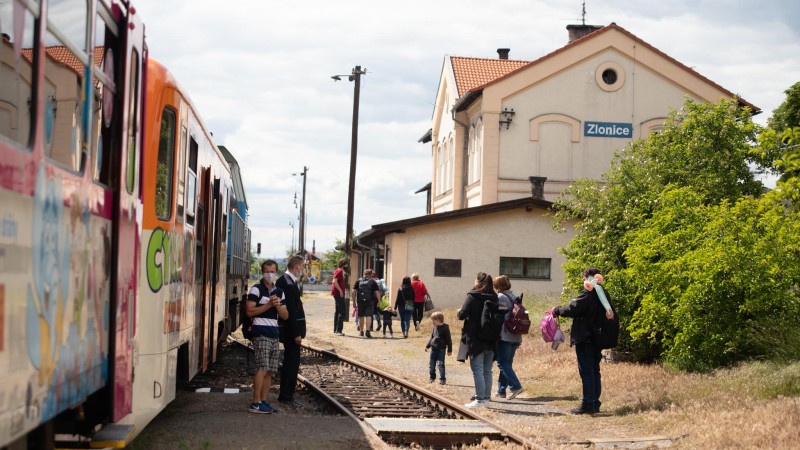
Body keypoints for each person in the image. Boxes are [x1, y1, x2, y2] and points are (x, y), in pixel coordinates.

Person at [552, 267, 613, 415]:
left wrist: (557, 310)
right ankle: (595, 403)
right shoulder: (603, 293)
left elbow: (574, 308)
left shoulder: (589, 292)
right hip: (598, 336)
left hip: (585, 336)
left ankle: (588, 404)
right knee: (594, 371)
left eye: (584, 278)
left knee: (586, 371)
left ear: (587, 277)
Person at [246, 260, 289, 414]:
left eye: (272, 271)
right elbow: (250, 311)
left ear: (276, 272)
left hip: (274, 333)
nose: (269, 274)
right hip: (260, 333)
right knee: (262, 368)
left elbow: (285, 315)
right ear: (262, 272)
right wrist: (268, 305)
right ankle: (255, 402)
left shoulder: (279, 291)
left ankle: (264, 401)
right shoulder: (256, 289)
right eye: (267, 271)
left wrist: (276, 305)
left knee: (270, 370)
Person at [457, 272, 499, 408]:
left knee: (478, 369)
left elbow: (462, 315)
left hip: (475, 337)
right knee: (487, 369)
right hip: (491, 337)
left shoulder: (472, 296)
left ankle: (480, 400)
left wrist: (459, 311)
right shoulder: (494, 297)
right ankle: (486, 398)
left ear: (478, 281)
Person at [275, 255, 307, 408]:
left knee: (291, 362)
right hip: (290, 330)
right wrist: (296, 333)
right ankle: (286, 396)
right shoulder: (288, 283)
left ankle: (287, 394)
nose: (303, 269)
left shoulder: (285, 281)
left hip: (288, 328)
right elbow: (291, 312)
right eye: (302, 266)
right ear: (297, 267)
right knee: (291, 363)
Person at [493, 275, 524, 400]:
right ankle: (501, 390)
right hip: (516, 334)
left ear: (497, 286)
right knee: (507, 363)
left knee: (502, 362)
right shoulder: (514, 296)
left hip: (505, 334)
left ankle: (516, 387)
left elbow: (500, 315)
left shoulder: (501, 297)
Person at [425, 311, 452, 384]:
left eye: (433, 321)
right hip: (433, 349)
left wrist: (450, 350)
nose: (432, 322)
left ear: (437, 320)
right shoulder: (434, 328)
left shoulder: (445, 328)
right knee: (432, 364)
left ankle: (442, 379)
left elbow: (449, 340)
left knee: (440, 364)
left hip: (441, 349)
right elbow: (432, 337)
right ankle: (432, 377)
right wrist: (427, 346)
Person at [353, 269, 380, 338]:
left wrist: (354, 301)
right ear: (371, 274)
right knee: (368, 316)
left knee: (361, 316)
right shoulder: (373, 281)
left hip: (360, 301)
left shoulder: (358, 281)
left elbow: (353, 292)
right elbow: (377, 292)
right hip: (370, 301)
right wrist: (379, 301)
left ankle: (361, 331)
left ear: (363, 274)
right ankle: (368, 331)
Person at [330, 258, 349, 336]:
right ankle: (338, 330)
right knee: (342, 312)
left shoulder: (339, 271)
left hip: (337, 293)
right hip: (338, 294)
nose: (347, 265)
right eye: (347, 263)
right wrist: (341, 291)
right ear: (344, 264)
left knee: (338, 311)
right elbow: (334, 281)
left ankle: (336, 330)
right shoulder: (339, 271)